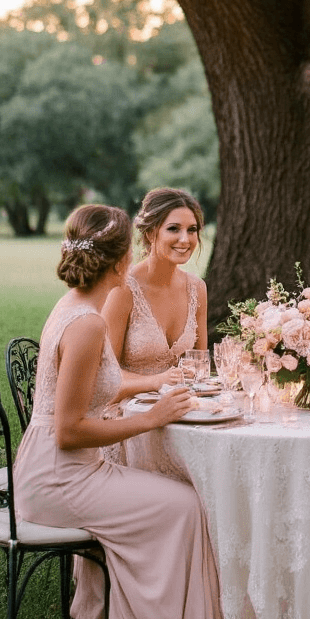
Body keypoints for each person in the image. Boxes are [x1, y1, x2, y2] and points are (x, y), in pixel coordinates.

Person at [13, 204, 231, 619]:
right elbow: (69, 430)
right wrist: (150, 418)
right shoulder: (87, 324)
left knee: (177, 501)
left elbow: (92, 393)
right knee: (183, 506)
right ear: (119, 261)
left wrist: (150, 391)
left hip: (61, 467)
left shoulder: (73, 305)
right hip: (58, 477)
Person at [101, 187, 208, 481]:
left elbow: (201, 366)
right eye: (174, 229)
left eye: (192, 229)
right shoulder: (123, 290)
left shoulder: (197, 288)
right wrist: (158, 381)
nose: (185, 239)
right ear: (151, 233)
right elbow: (104, 378)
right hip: (126, 419)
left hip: (179, 414)